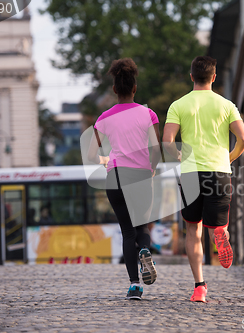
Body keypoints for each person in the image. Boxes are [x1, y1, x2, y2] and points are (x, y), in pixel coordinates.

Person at [162, 56, 244, 302]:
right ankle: (220, 233)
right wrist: (229, 159)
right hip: (219, 171)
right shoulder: (226, 105)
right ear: (214, 77)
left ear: (191, 77)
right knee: (216, 226)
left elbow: (167, 142)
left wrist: (178, 155)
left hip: (190, 173)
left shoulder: (178, 105)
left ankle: (199, 287)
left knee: (193, 228)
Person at [88, 58, 161, 300]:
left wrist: (106, 161)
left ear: (114, 90)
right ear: (134, 88)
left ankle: (134, 286)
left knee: (127, 232)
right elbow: (156, 151)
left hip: (116, 178)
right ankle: (145, 250)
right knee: (142, 227)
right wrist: (150, 169)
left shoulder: (104, 117)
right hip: (140, 175)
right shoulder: (148, 114)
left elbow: (91, 154)